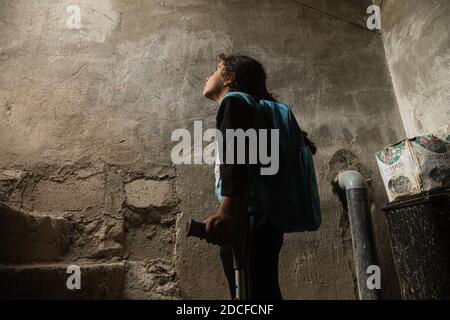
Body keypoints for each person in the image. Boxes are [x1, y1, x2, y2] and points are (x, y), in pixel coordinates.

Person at [201, 54, 284, 300]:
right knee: (263, 294)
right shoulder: (255, 108)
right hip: (262, 220)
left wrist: (227, 211)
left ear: (229, 77)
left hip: (246, 219)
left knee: (250, 297)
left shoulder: (235, 103)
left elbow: (236, 159)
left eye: (216, 70)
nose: (208, 76)